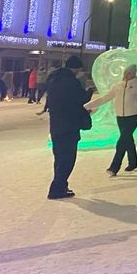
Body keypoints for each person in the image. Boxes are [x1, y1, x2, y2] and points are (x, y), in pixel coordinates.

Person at [45, 56, 94, 199]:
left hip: (56, 124)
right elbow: (81, 98)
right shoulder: (71, 82)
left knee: (59, 157)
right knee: (68, 158)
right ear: (76, 68)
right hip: (69, 125)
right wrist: (89, 91)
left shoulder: (54, 80)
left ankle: (61, 185)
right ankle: (57, 188)